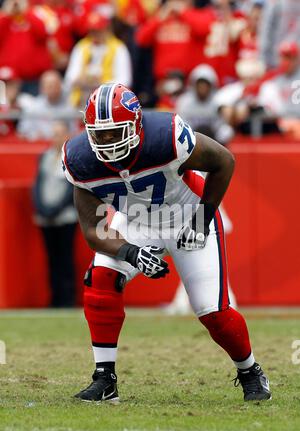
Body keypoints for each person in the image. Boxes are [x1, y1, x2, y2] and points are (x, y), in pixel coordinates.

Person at [62, 82, 271, 403]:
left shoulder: (167, 137)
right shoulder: (80, 159)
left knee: (212, 312)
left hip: (186, 216)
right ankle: (105, 379)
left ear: (135, 124)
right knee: (100, 279)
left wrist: (201, 220)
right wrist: (131, 252)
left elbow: (223, 161)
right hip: (135, 223)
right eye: (100, 134)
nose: (107, 142)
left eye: (115, 132)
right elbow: (93, 229)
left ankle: (250, 371)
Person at [33, 120, 77, 308]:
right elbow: (38, 184)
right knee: (52, 259)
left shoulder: (71, 158)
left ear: (67, 135)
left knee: (65, 258)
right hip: (45, 218)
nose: (55, 138)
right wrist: (41, 207)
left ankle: (67, 299)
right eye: (54, 134)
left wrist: (56, 208)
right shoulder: (45, 157)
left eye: (59, 133)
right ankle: (55, 298)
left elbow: (71, 188)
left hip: (65, 217)